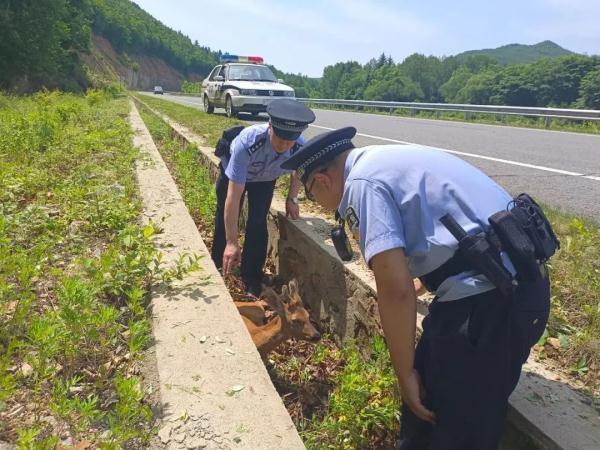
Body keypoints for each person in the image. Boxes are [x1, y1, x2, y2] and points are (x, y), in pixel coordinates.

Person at [280, 127, 551, 449]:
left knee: (448, 427)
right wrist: (424, 280)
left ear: (322, 181)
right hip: (517, 292)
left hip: (488, 309)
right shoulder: (386, 158)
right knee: (448, 413)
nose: (321, 205)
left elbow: (395, 292)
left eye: (312, 196)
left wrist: (404, 373)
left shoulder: (361, 186)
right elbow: (448, 233)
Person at [211, 98, 316, 297]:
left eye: (289, 141)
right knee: (223, 220)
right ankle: (218, 264)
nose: (284, 145)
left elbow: (298, 170)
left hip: (265, 179)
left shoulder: (299, 146)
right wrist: (233, 242)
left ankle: (252, 277)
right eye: (279, 139)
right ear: (270, 126)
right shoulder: (249, 142)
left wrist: (292, 198)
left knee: (258, 222)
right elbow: (233, 199)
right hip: (233, 174)